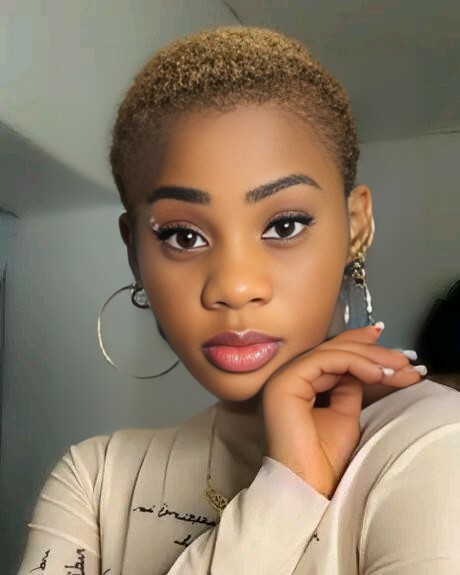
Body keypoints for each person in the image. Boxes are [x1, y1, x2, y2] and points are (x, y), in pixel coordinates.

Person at [17, 26, 460, 575]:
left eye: (284, 225)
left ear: (355, 227)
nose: (234, 286)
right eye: (183, 236)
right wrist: (286, 496)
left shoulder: (434, 443)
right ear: (134, 251)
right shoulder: (96, 478)